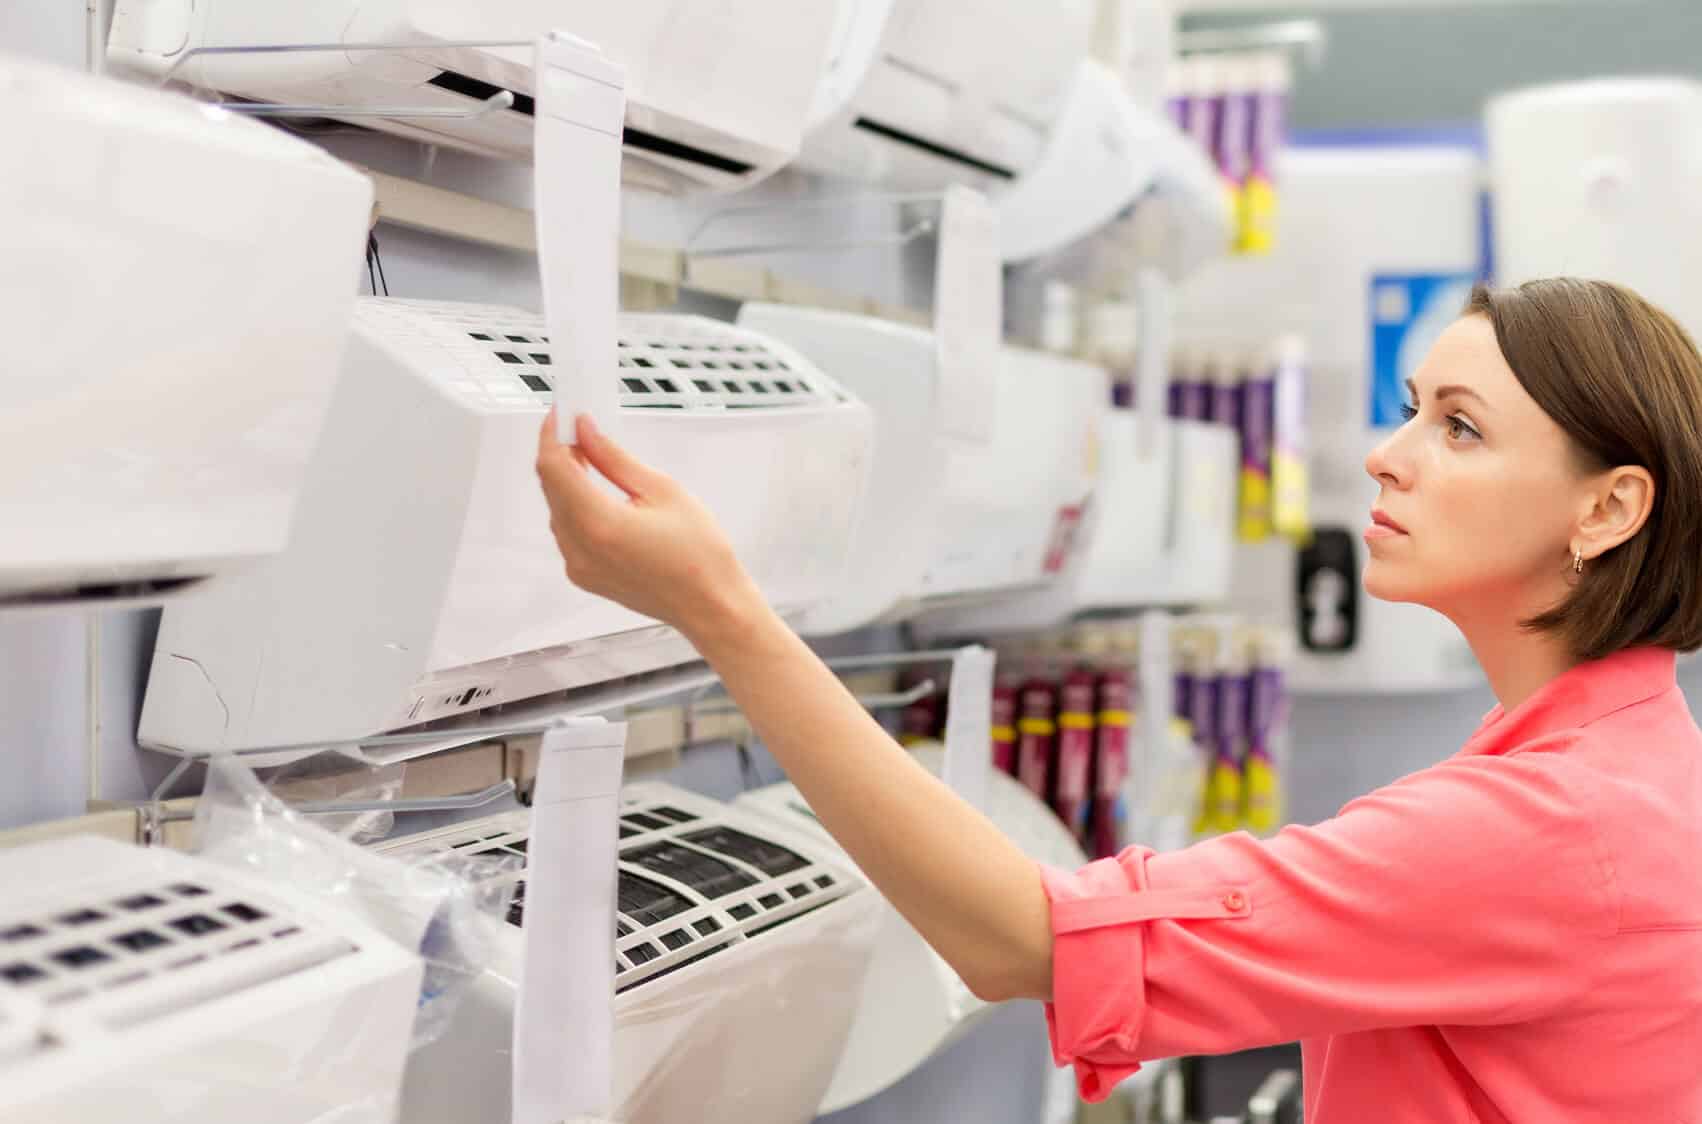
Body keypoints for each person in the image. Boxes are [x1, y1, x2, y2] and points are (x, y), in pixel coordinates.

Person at [535, 278, 1702, 1123]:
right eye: (1409, 406)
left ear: (1605, 510)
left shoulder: (1544, 828)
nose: (1389, 455)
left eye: (1459, 427)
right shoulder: (1633, 766)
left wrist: (722, 611)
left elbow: (1015, 936)